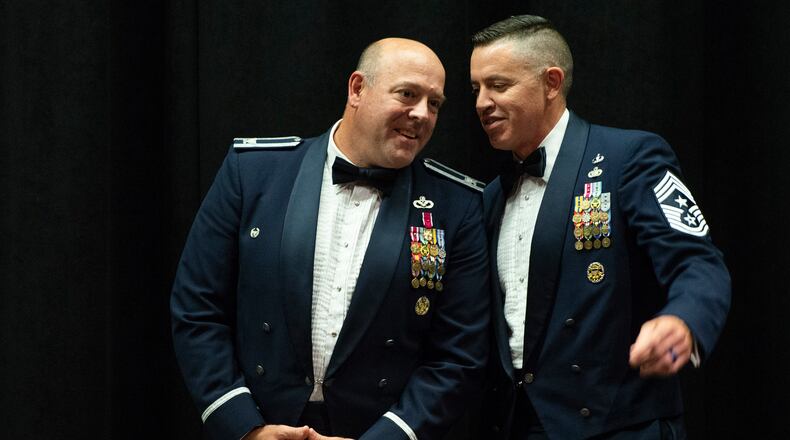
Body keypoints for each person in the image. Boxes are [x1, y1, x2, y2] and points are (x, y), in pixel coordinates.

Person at [171, 38, 490, 440]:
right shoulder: (252, 174)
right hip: (259, 423)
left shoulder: (456, 205)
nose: (422, 114)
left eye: (435, 103)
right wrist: (245, 427)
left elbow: (458, 356)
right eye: (408, 94)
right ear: (357, 89)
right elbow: (197, 308)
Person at [470, 15, 731, 439]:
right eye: (476, 89)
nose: (482, 102)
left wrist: (683, 321)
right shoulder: (492, 196)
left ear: (551, 83)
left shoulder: (628, 157)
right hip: (518, 424)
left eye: (498, 86)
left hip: (617, 424)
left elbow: (698, 262)